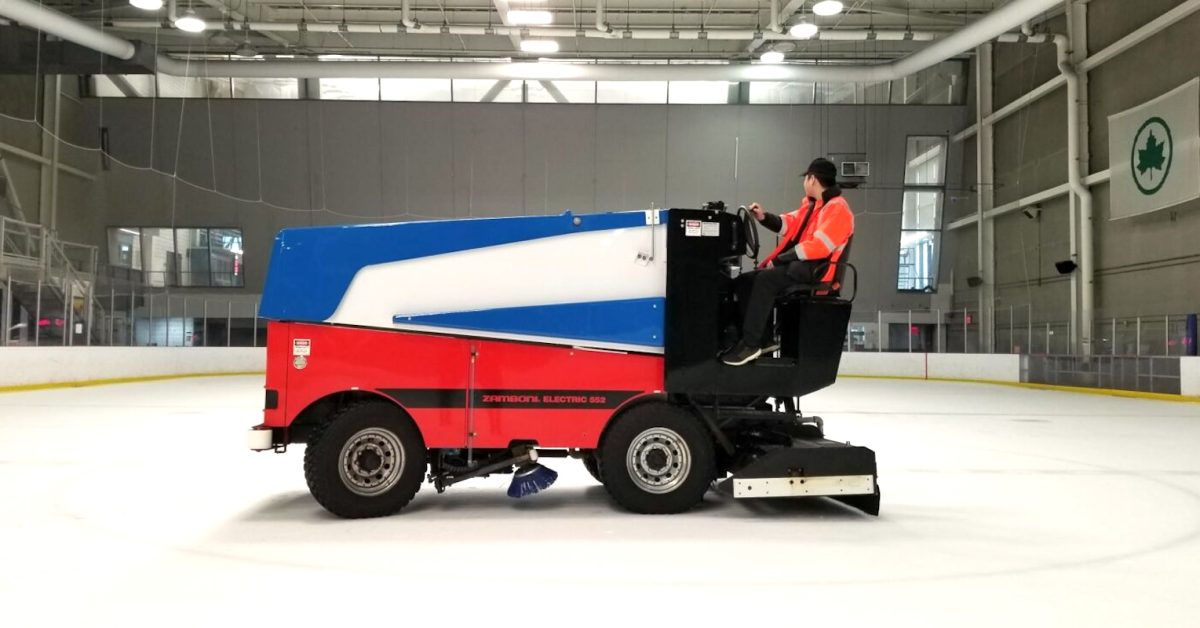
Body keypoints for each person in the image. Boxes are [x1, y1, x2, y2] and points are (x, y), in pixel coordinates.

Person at [721, 157, 855, 366]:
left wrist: (781, 260)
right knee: (745, 281)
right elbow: (789, 224)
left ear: (812, 179)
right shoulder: (814, 206)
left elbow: (820, 247)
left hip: (817, 271)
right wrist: (763, 217)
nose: (804, 183)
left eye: (806, 178)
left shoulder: (837, 209)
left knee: (765, 280)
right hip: (802, 266)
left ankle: (750, 344)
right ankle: (764, 340)